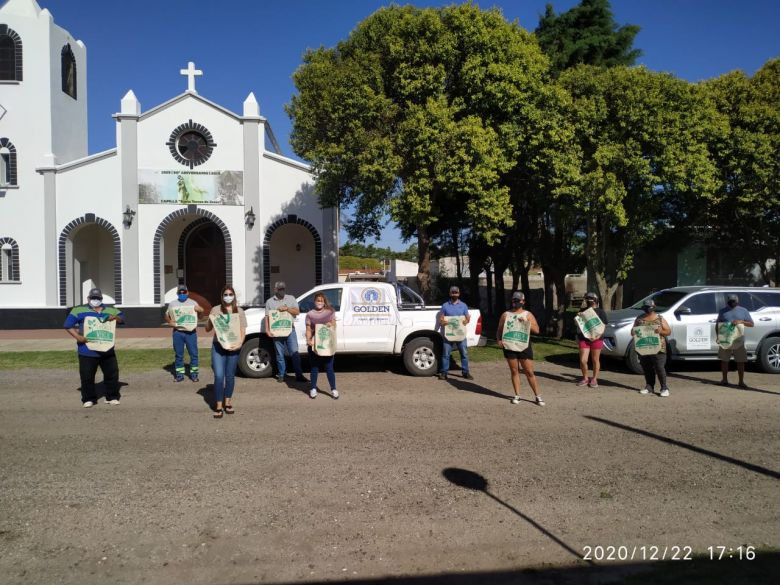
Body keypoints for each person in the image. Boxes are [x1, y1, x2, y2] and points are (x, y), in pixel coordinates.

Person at [63, 287, 124, 407]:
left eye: (98, 298)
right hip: (87, 350)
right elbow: (67, 325)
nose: (95, 300)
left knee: (112, 374)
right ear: (88, 298)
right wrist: (78, 337)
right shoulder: (78, 310)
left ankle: (112, 396)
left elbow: (122, 318)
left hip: (107, 350)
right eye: (93, 298)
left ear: (101, 299)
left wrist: (115, 318)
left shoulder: (111, 310)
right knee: (87, 376)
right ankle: (88, 398)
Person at [204, 285, 246, 418]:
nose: (228, 296)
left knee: (229, 376)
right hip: (218, 346)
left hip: (234, 347)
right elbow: (207, 329)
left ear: (234, 296)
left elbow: (242, 330)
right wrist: (210, 319)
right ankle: (218, 405)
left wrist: (239, 344)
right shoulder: (215, 309)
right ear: (222, 296)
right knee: (219, 376)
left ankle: (227, 402)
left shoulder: (239, 311)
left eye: (230, 294)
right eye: (225, 294)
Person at [497, 291, 545, 406]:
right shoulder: (505, 314)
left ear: (523, 301)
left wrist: (527, 322)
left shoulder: (528, 314)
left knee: (529, 372)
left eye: (518, 300)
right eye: (514, 300)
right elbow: (499, 329)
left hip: (524, 346)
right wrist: (498, 340)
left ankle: (538, 396)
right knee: (514, 371)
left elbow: (537, 330)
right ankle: (517, 395)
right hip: (509, 346)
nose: (515, 302)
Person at [265, 281, 306, 383]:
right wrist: (267, 329)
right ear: (275, 290)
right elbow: (267, 317)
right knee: (279, 354)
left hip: (290, 330)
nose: (282, 290)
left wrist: (287, 309)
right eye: (279, 289)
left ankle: (299, 375)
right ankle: (282, 374)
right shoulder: (270, 302)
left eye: (283, 288)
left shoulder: (291, 298)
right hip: (277, 331)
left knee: (294, 353)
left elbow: (297, 312)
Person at [164, 283, 204, 382]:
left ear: (187, 292)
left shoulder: (193, 303)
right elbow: (166, 315)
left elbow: (201, 317)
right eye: (180, 292)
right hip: (178, 332)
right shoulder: (172, 304)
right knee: (179, 355)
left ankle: (194, 374)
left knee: (194, 354)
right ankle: (179, 375)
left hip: (191, 333)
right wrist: (169, 322)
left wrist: (201, 311)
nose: (182, 294)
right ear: (177, 293)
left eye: (184, 292)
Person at [634, 299, 672, 397]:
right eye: (646, 308)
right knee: (647, 368)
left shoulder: (660, 318)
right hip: (644, 347)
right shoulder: (639, 319)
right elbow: (632, 331)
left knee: (659, 367)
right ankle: (649, 386)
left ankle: (664, 388)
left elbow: (668, 331)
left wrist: (660, 331)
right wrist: (635, 332)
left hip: (659, 348)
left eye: (649, 308)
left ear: (653, 308)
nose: (648, 310)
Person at [716, 293, 754, 389]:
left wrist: (741, 321)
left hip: (738, 338)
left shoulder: (743, 311)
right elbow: (717, 324)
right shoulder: (722, 311)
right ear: (727, 301)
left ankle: (741, 382)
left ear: (737, 301)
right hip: (725, 338)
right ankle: (724, 380)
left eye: (734, 301)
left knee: (740, 361)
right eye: (731, 301)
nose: (732, 303)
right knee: (724, 360)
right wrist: (718, 336)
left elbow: (751, 324)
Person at [305, 292, 338, 399]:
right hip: (314, 344)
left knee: (329, 368)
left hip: (327, 343)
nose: (319, 302)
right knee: (314, 367)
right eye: (317, 300)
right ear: (314, 302)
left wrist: (331, 324)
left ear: (324, 302)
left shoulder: (330, 312)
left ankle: (333, 389)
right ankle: (313, 388)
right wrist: (308, 340)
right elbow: (308, 328)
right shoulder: (310, 314)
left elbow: (334, 324)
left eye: (321, 300)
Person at [437, 285, 472, 380]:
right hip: (448, 335)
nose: (454, 294)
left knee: (464, 354)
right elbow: (441, 318)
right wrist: (442, 322)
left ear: (459, 294)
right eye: (452, 292)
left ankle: (465, 372)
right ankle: (444, 373)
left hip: (460, 334)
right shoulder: (445, 305)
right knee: (445, 354)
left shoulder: (464, 305)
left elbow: (468, 317)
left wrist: (466, 320)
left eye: (456, 292)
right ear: (449, 293)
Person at [575, 292, 608, 388]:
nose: (589, 300)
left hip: (597, 339)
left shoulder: (601, 312)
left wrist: (598, 336)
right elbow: (578, 324)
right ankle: (585, 378)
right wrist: (577, 318)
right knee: (583, 360)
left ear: (595, 300)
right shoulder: (582, 310)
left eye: (590, 298)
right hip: (584, 338)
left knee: (595, 359)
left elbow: (604, 326)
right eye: (587, 298)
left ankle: (594, 379)